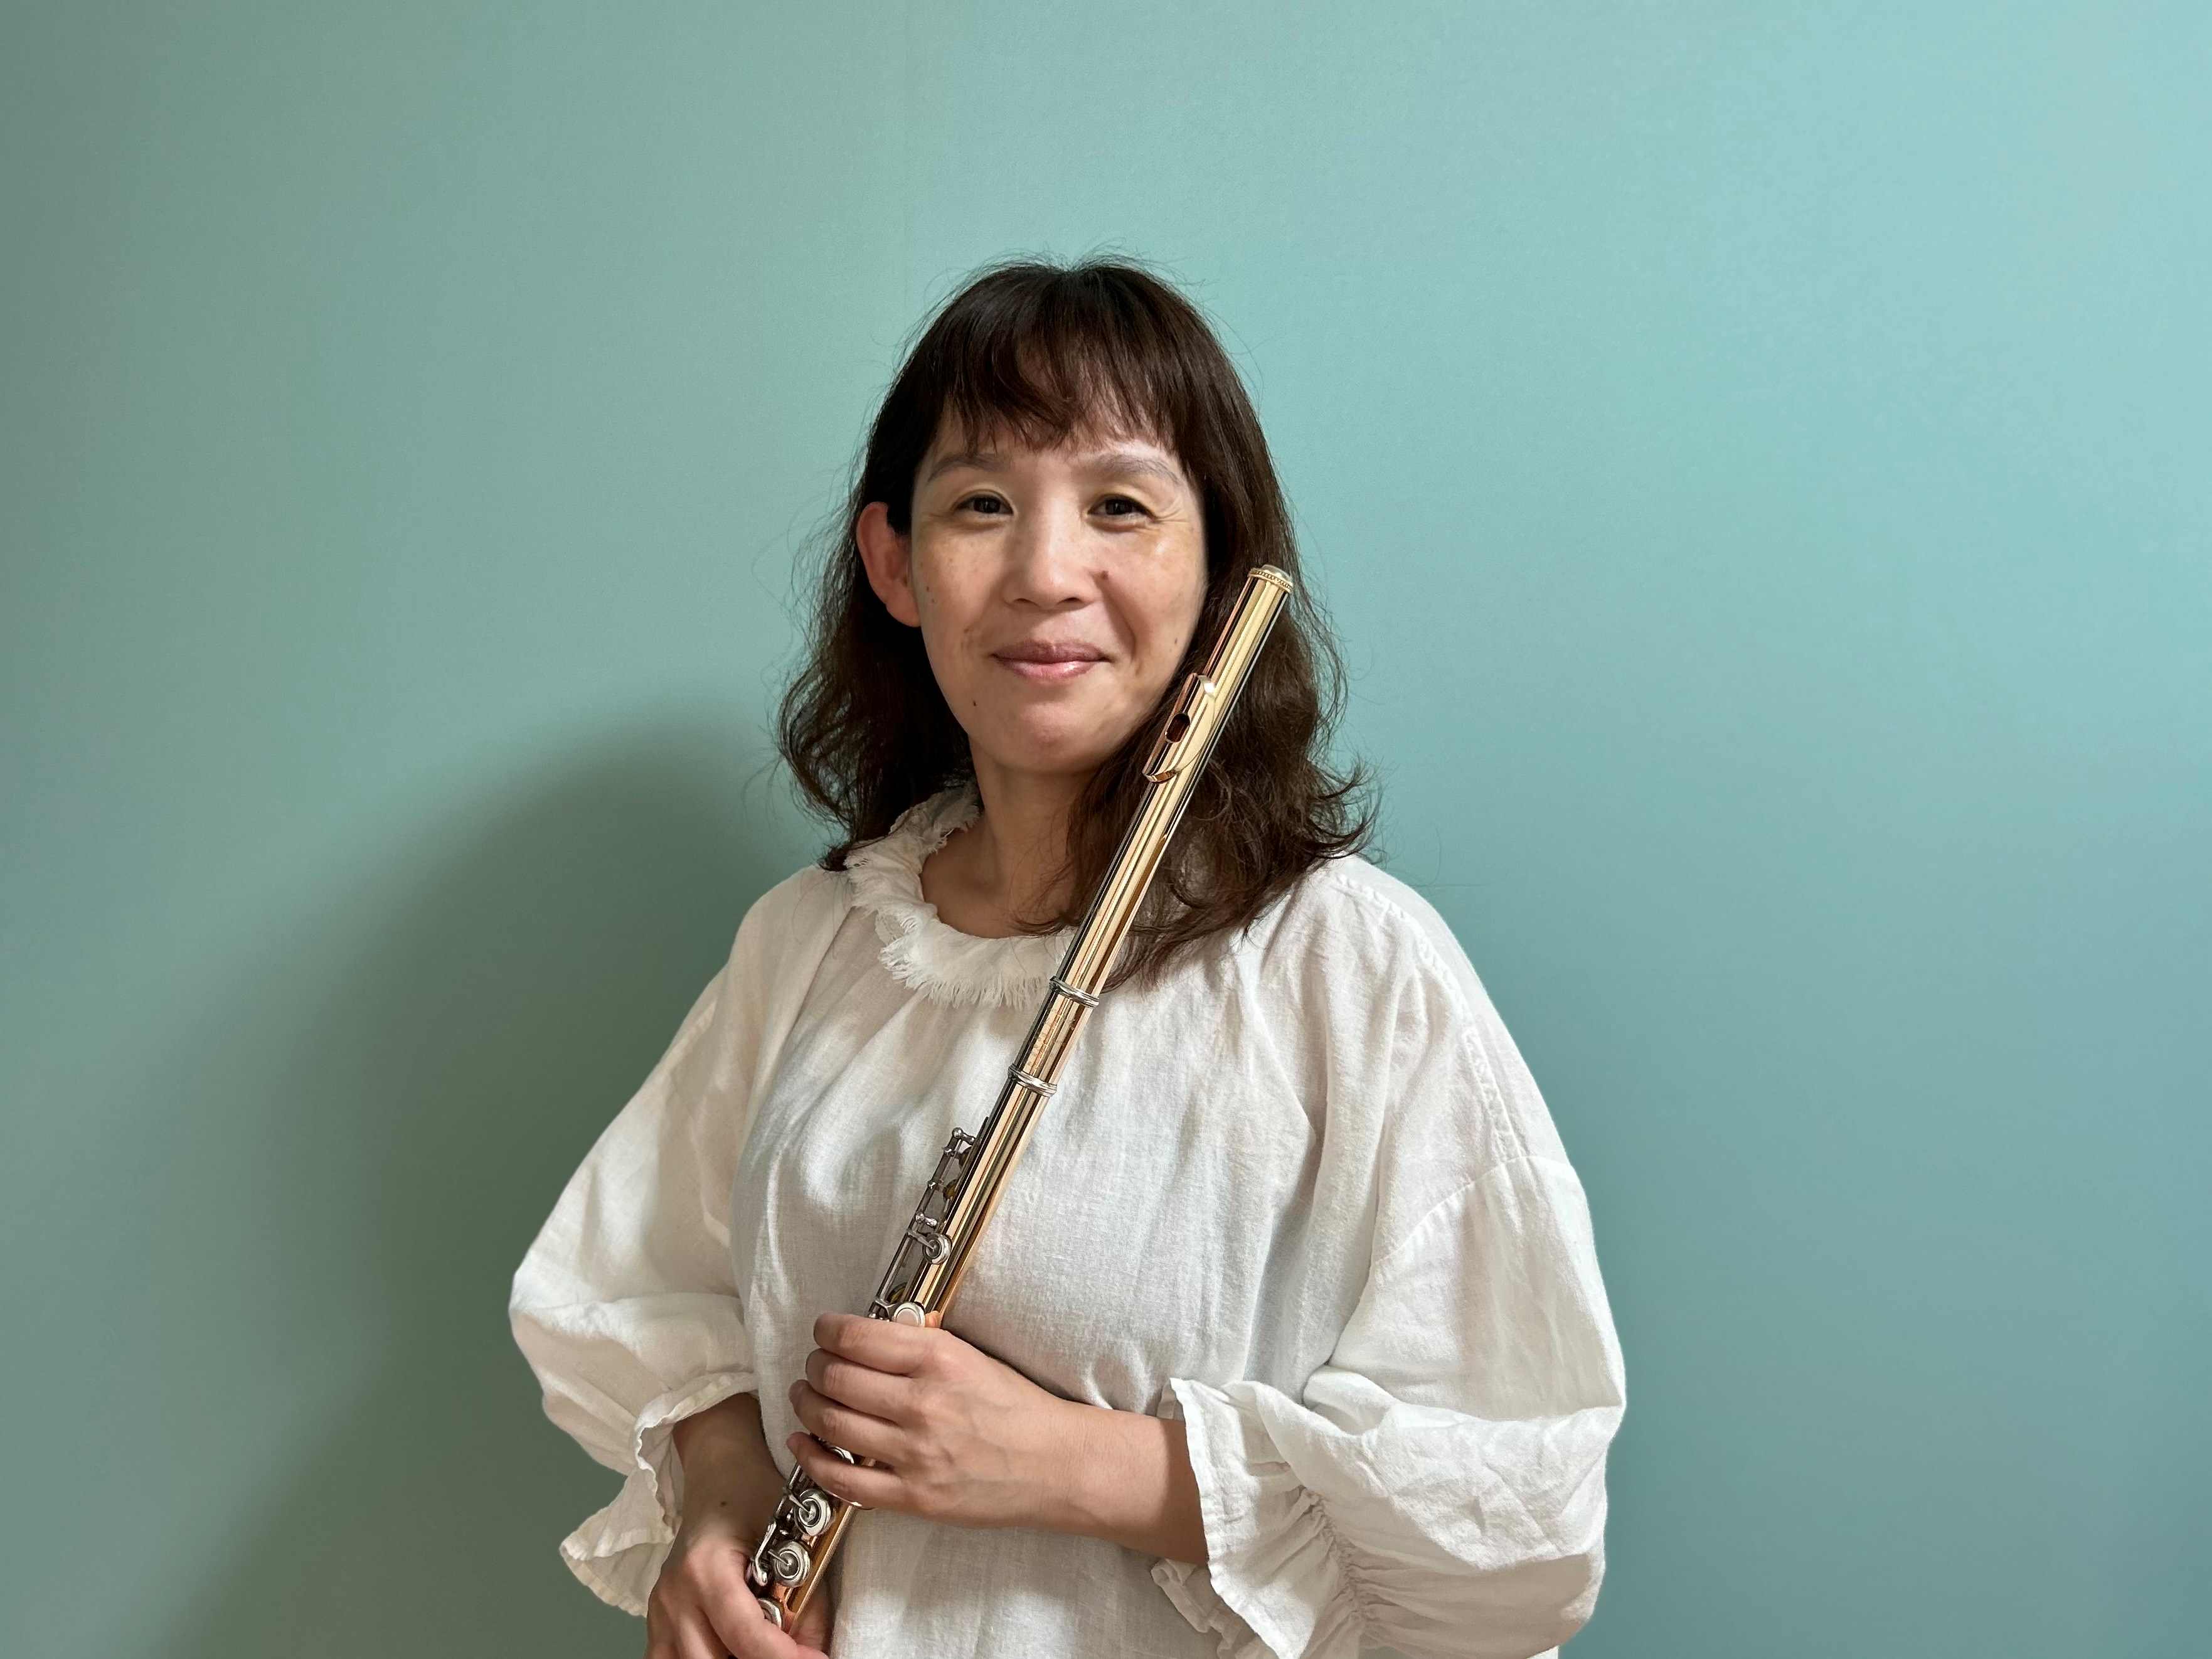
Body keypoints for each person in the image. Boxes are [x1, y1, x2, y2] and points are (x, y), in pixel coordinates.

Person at [509, 255, 1626, 1659]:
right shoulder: (812, 938)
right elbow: (647, 1287)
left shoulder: (1347, 963)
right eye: (982, 504)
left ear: (1218, 570)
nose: (1046, 574)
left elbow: (1519, 1516)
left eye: (1119, 507)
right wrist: (721, 1514)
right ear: (894, 564)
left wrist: (1068, 1463)